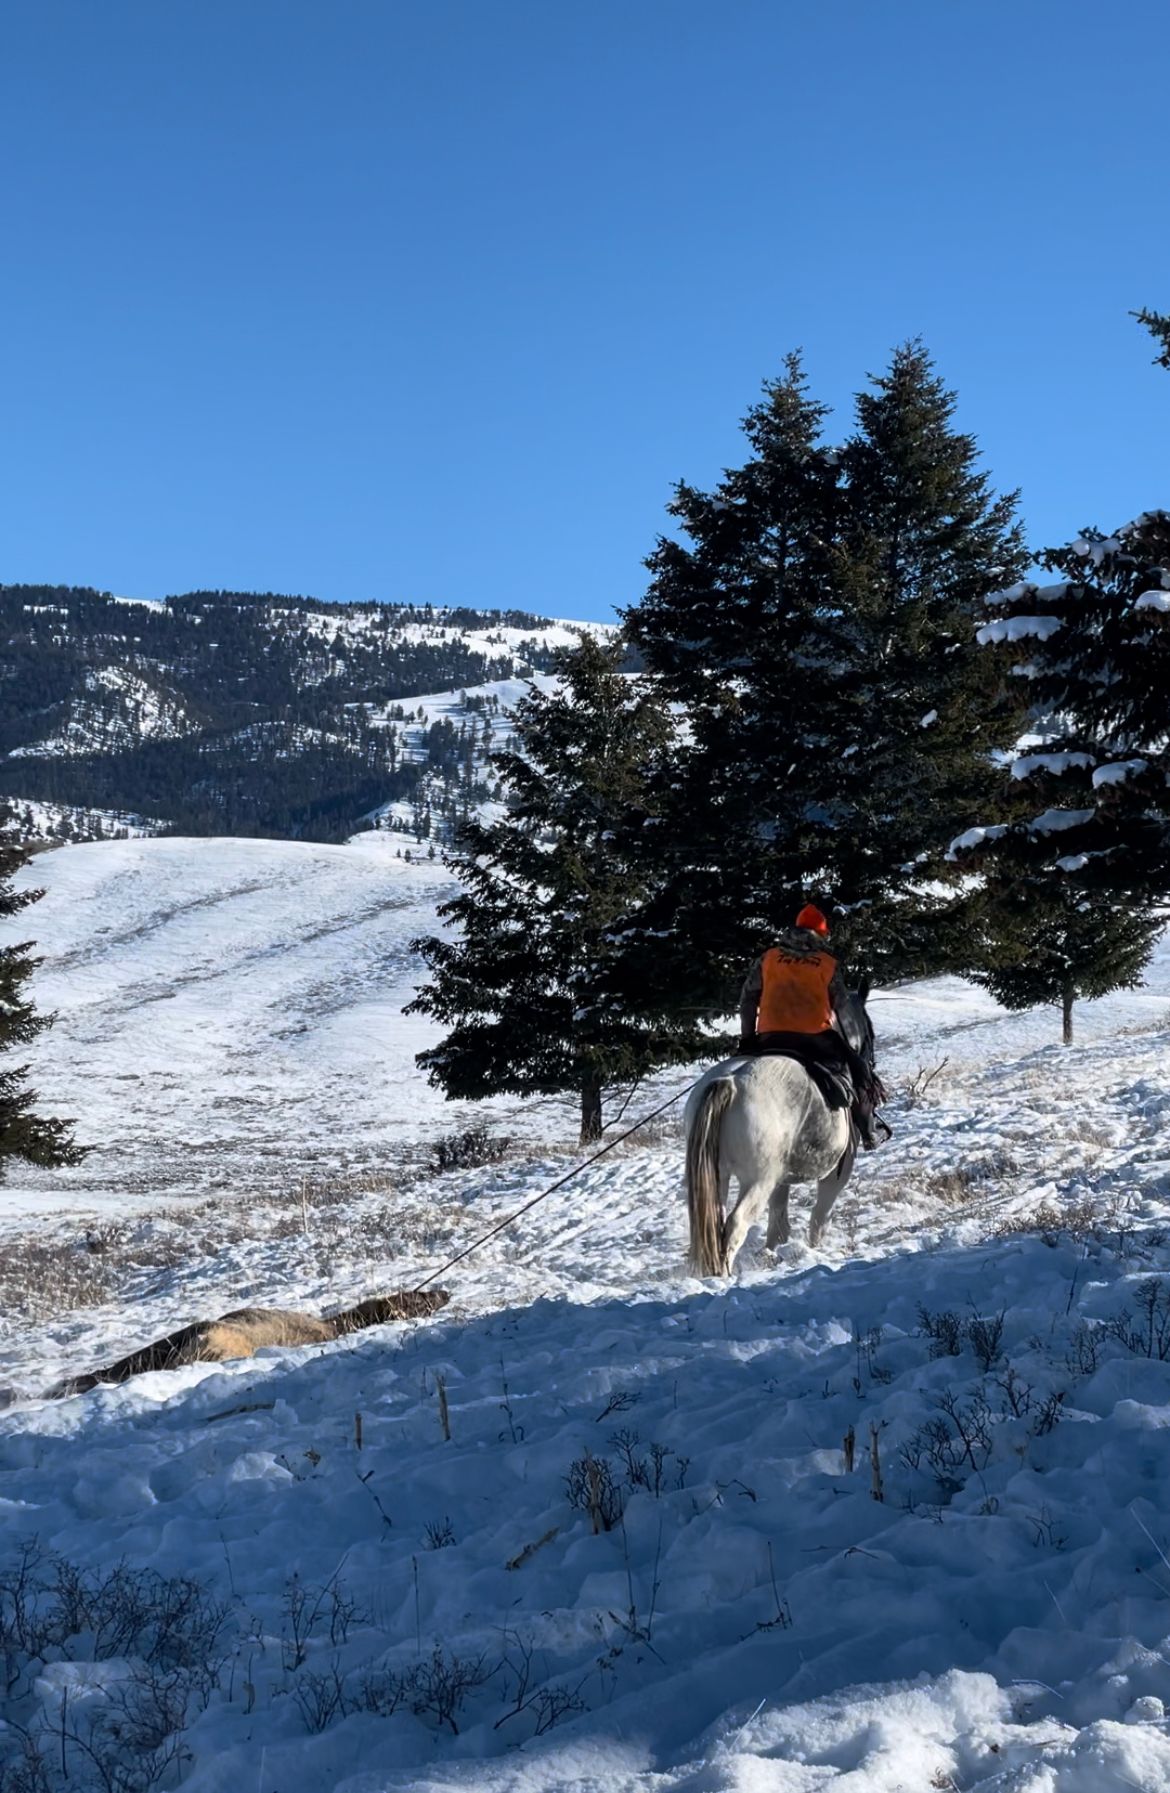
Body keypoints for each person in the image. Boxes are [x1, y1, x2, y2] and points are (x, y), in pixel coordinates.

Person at [738, 903, 883, 1149]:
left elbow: (747, 1000)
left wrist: (748, 1038)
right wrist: (852, 1048)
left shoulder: (768, 959)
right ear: (822, 935)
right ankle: (868, 1131)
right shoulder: (827, 964)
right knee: (856, 1074)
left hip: (769, 1038)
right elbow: (844, 1009)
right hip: (814, 1040)